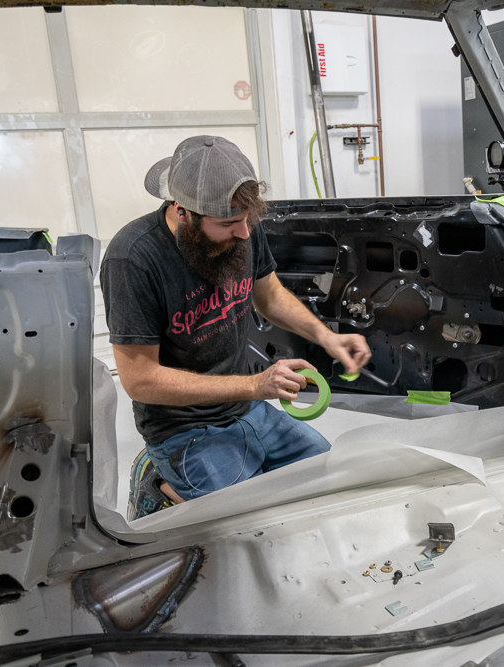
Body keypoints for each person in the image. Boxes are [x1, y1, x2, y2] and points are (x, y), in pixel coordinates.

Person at [100, 136, 371, 520]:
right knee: (248, 522)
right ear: (183, 213)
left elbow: (269, 295)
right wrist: (255, 385)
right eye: (228, 224)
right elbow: (140, 380)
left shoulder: (241, 224)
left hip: (247, 409)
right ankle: (158, 483)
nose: (244, 233)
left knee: (328, 483)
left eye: (247, 220)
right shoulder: (133, 258)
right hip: (182, 429)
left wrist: (327, 336)